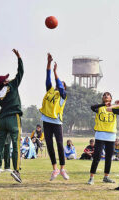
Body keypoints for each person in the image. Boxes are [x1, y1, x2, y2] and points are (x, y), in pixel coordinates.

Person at [0, 49, 24, 183]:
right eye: (6, 78)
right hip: (14, 118)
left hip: (2, 120)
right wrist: (19, 58)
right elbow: (20, 72)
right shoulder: (12, 85)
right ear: (4, 82)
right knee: (16, 145)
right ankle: (16, 171)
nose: (8, 78)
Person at [39, 53, 69, 181]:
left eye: (61, 84)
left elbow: (58, 82)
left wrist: (56, 72)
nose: (58, 84)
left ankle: (62, 169)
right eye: (58, 83)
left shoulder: (63, 95)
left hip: (57, 122)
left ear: (63, 87)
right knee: (50, 146)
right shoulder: (50, 90)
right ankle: (55, 169)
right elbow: (47, 77)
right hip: (46, 121)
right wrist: (49, 63)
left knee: (60, 144)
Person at [87, 92, 117, 185]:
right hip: (100, 134)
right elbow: (92, 107)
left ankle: (106, 177)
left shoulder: (115, 108)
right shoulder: (99, 108)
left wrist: (115, 104)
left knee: (109, 157)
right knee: (97, 156)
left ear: (111, 98)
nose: (106, 96)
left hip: (111, 135)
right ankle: (91, 178)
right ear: (103, 98)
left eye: (108, 95)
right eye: (104, 95)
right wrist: (104, 104)